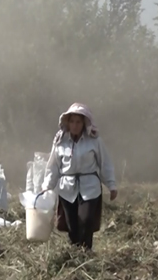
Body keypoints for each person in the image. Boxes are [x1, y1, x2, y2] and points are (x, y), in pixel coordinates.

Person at [41, 103, 117, 251]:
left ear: (84, 123)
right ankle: (75, 255)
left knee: (86, 220)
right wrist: (46, 186)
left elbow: (105, 163)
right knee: (72, 225)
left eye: (78, 122)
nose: (75, 125)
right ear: (67, 123)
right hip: (67, 188)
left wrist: (111, 184)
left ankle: (86, 253)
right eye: (72, 121)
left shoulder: (94, 141)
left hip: (90, 187)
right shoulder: (60, 142)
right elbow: (53, 166)